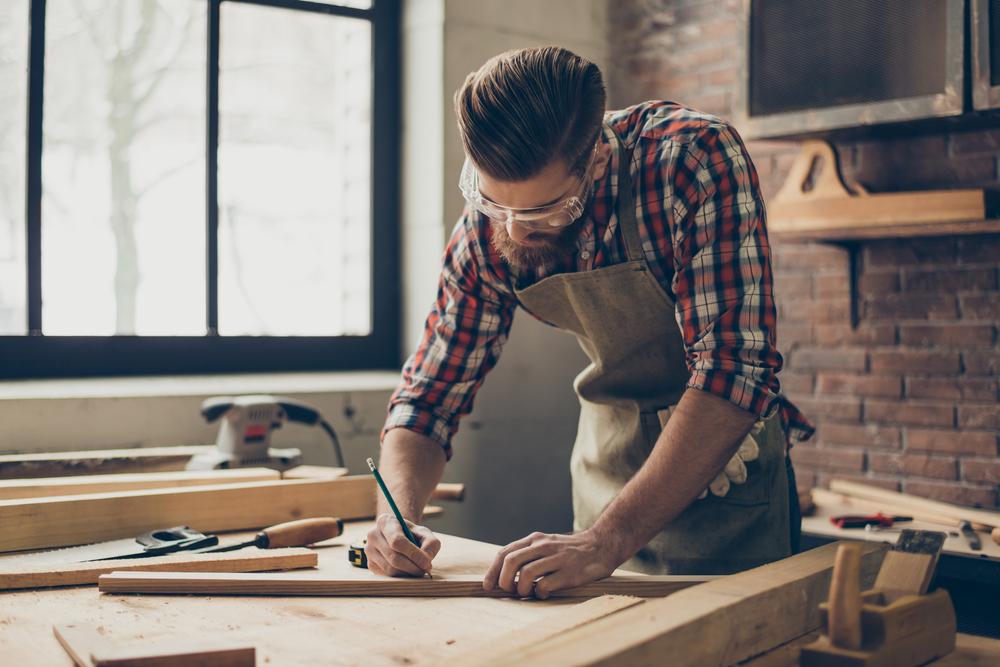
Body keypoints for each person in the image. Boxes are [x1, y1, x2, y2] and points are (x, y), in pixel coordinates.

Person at [365, 46, 813, 598]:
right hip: (607, 478)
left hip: (727, 475)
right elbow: (429, 396)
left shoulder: (691, 160)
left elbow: (736, 369)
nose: (516, 230)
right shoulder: (492, 223)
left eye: (542, 211)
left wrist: (606, 540)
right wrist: (396, 515)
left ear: (597, 158)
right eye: (494, 202)